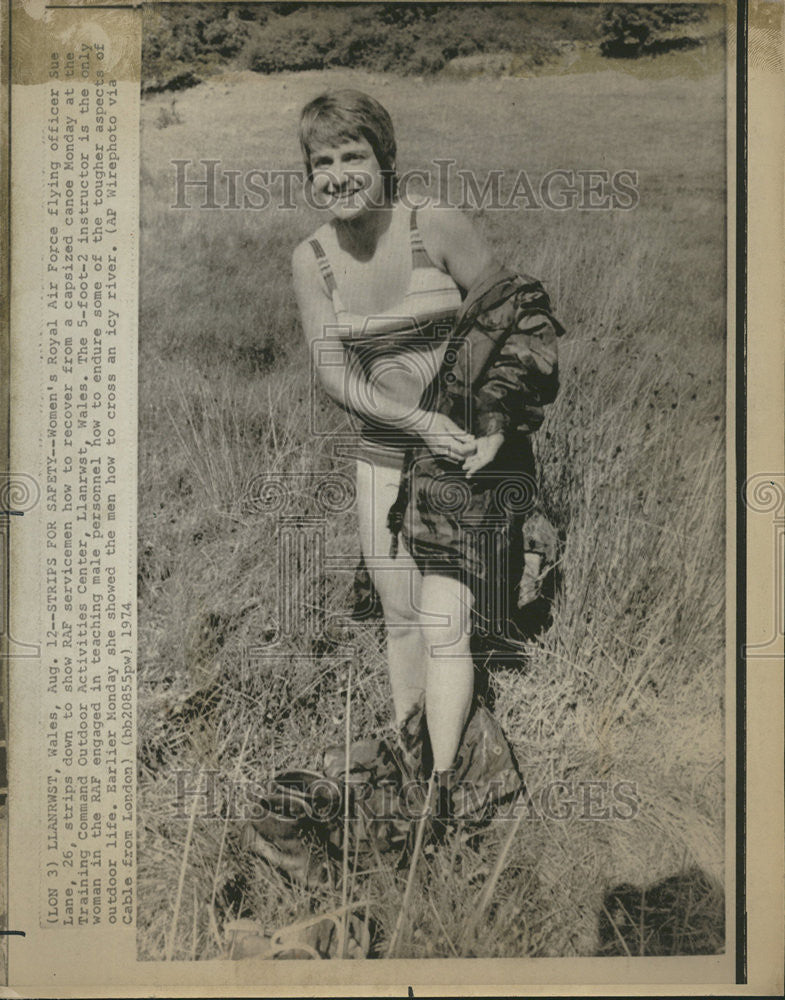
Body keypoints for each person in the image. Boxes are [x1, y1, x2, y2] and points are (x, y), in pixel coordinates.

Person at [291, 89, 557, 811]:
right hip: (383, 455)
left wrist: (497, 425)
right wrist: (412, 423)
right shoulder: (310, 258)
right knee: (400, 618)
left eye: (354, 156)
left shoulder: (431, 222)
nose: (339, 173)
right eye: (323, 161)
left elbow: (517, 316)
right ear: (308, 173)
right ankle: (411, 764)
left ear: (385, 161)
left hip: (460, 459)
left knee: (447, 625)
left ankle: (451, 787)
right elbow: (332, 370)